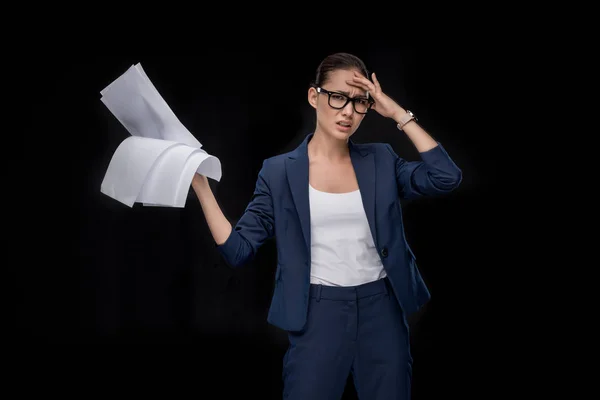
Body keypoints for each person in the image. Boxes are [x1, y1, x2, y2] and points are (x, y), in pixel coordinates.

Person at [191, 52, 462, 400]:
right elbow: (238, 250)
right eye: (337, 97)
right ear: (313, 96)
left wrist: (397, 114)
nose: (348, 111)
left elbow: (446, 177)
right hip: (317, 313)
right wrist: (202, 189)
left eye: (360, 102)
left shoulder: (381, 159)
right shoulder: (279, 172)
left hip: (382, 309)